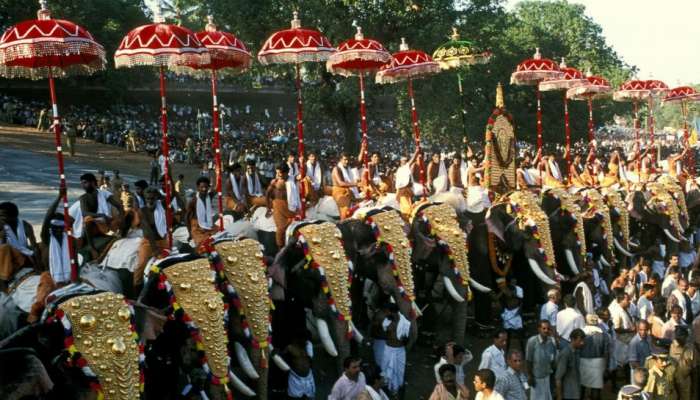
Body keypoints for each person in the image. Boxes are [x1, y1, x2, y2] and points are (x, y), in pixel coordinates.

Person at [72, 173, 123, 262]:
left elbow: (118, 205)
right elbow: (85, 213)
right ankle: (92, 247)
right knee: (87, 220)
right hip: (93, 225)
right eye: (82, 183)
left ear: (92, 182)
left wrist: (121, 216)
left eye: (85, 183)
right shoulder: (83, 198)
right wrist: (101, 215)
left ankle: (122, 235)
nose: (83, 186)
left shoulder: (104, 193)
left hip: (105, 223)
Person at [133, 188, 169, 289]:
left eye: (152, 198)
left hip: (162, 241)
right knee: (141, 264)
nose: (150, 201)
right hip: (148, 243)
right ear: (145, 199)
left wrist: (159, 194)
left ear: (157, 198)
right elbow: (148, 231)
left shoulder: (161, 207)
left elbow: (169, 198)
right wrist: (155, 250)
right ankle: (137, 288)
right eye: (148, 199)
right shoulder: (142, 211)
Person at [0, 202, 36, 284]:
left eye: (3, 215)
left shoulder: (25, 225)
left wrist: (38, 267)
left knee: (43, 245)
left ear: (13, 216)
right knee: (5, 248)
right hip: (5, 260)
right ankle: (3, 284)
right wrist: (2, 237)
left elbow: (34, 247)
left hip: (23, 257)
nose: (0, 218)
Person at [266, 163, 300, 249]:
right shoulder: (275, 182)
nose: (277, 175)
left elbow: (301, 176)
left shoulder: (291, 180)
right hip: (278, 206)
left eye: (280, 174)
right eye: (277, 173)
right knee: (281, 229)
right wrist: (268, 208)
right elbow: (267, 194)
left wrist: (301, 161)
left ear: (287, 172)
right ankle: (280, 249)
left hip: (289, 207)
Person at [381, 302, 410, 396]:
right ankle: (386, 389)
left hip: (399, 350)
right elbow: (384, 333)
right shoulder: (386, 321)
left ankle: (396, 390)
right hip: (388, 349)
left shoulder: (405, 323)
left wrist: (405, 340)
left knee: (399, 371)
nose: (385, 314)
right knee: (385, 369)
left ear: (392, 312)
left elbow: (408, 339)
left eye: (386, 312)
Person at [526, 320, 557, 400]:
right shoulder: (532, 341)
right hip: (536, 378)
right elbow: (528, 360)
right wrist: (530, 376)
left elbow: (553, 359)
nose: (546, 330)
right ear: (539, 329)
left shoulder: (551, 342)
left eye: (548, 328)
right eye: (544, 328)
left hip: (547, 376)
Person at [580, 314, 608, 400]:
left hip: (583, 361)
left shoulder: (581, 333)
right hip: (598, 362)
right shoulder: (603, 334)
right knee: (595, 387)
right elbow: (606, 352)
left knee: (582, 386)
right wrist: (606, 366)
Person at [185, 177, 217, 248]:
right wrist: (190, 233)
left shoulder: (210, 196)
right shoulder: (193, 201)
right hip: (197, 227)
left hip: (209, 225)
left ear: (208, 187)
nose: (204, 189)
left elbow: (217, 188)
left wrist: (217, 173)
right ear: (197, 188)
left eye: (206, 187)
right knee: (203, 245)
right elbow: (186, 217)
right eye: (202, 187)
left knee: (223, 235)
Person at [555, 328, 586, 400]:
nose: (582, 343)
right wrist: (559, 396)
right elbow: (558, 378)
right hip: (567, 394)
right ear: (572, 339)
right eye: (580, 340)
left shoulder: (577, 351)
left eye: (583, 340)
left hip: (575, 391)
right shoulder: (565, 354)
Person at [668, 326, 697, 400]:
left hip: (685, 382)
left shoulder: (690, 348)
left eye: (684, 337)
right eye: (679, 337)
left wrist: (694, 389)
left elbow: (694, 369)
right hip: (672, 382)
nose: (682, 339)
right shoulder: (670, 346)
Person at [284, 335, 315, 400]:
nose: (303, 340)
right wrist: (277, 352)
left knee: (310, 397)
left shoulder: (308, 345)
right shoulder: (290, 347)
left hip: (308, 377)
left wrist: (316, 370)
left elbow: (311, 360)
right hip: (295, 377)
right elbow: (282, 356)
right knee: (295, 397)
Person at [332, 153, 359, 220]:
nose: (347, 161)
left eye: (348, 160)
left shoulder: (348, 169)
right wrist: (356, 184)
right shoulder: (336, 169)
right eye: (345, 160)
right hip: (338, 191)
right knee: (345, 209)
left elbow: (359, 161)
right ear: (340, 160)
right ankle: (343, 221)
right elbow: (341, 183)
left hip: (348, 191)